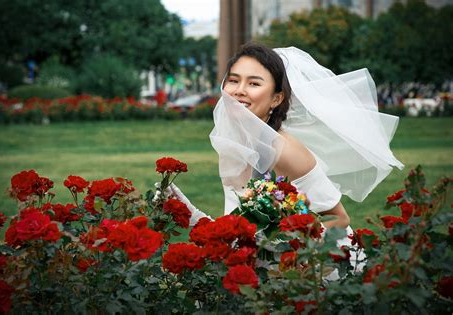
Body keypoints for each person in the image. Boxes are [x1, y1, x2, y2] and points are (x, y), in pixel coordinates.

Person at [172, 42, 403, 234]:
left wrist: (280, 249)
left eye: (253, 83)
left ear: (276, 99)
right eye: (233, 80)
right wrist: (187, 212)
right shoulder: (237, 145)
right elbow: (237, 228)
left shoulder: (284, 151)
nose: (239, 90)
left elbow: (338, 219)